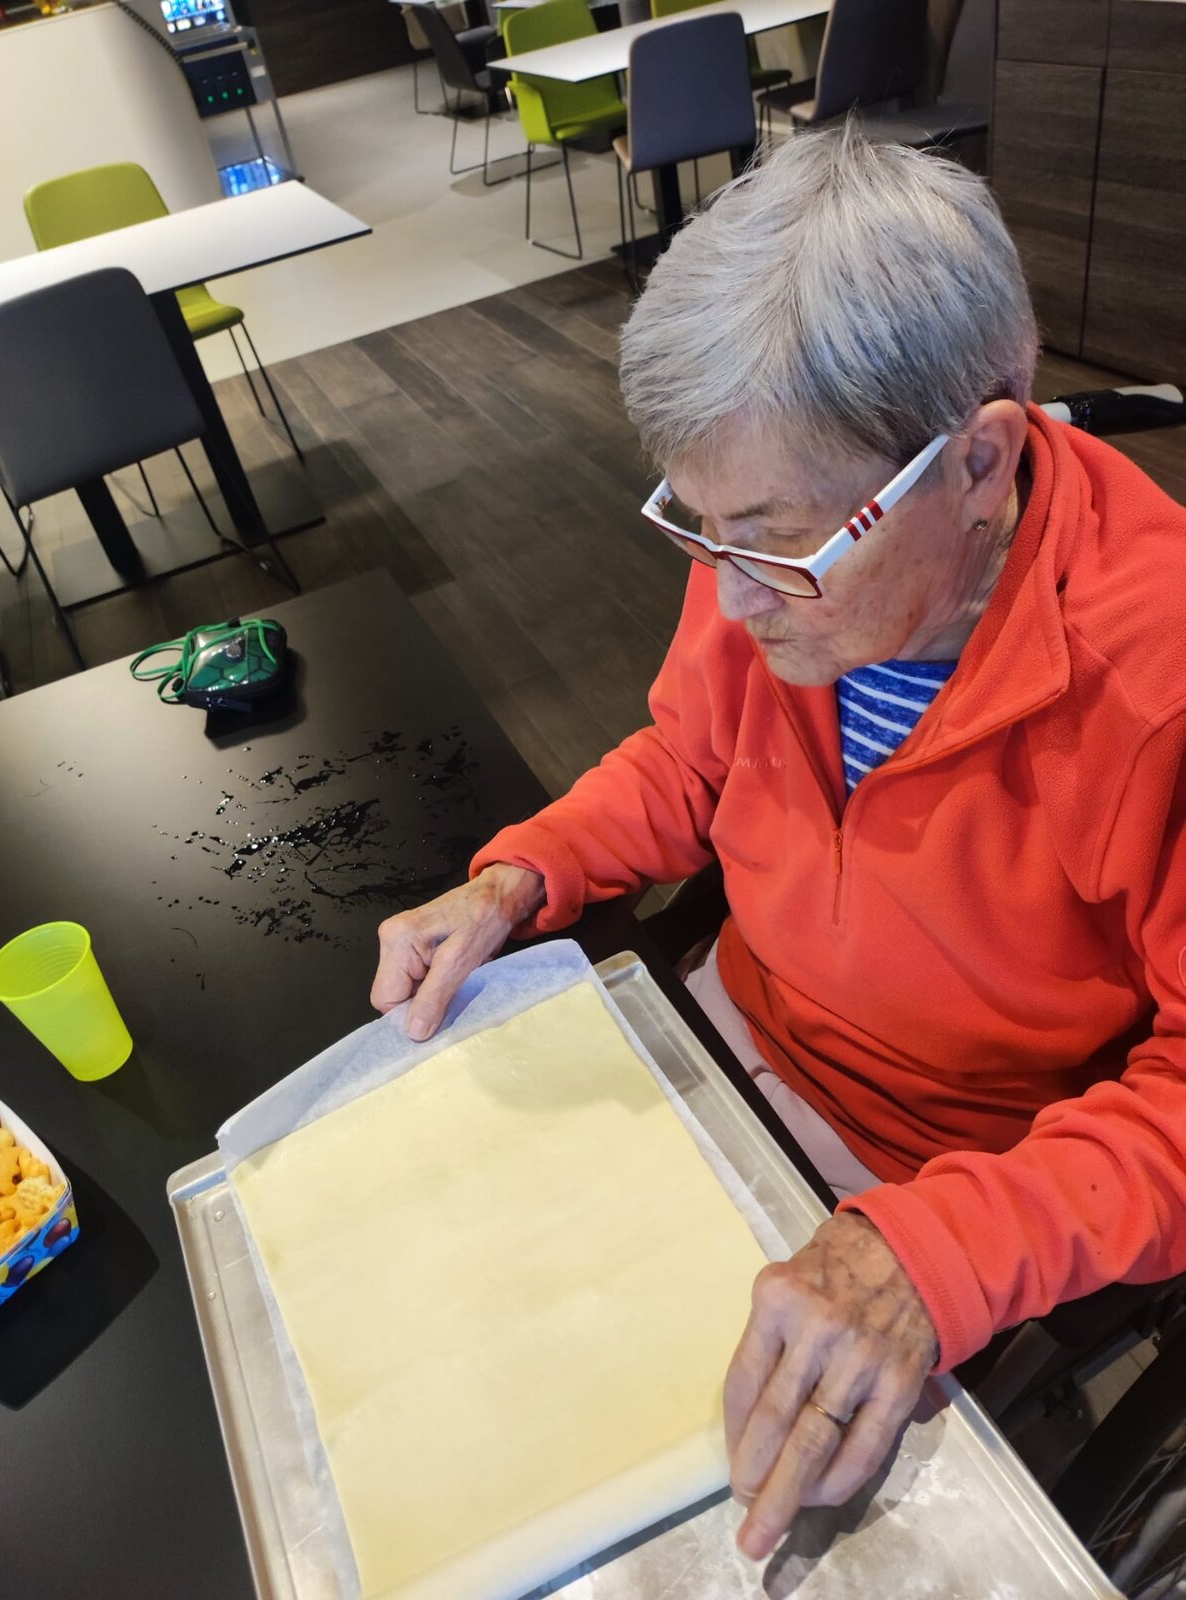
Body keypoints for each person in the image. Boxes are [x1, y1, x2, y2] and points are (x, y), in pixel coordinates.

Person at [370, 123, 1186, 1562]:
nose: (731, 598)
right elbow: (694, 758)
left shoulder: (1157, 684)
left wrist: (933, 1251)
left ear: (980, 462)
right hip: (719, 1043)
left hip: (949, 1172)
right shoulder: (767, 556)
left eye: (770, 540)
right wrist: (520, 874)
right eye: (699, 528)